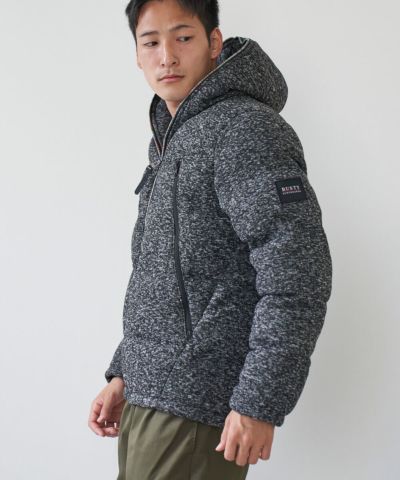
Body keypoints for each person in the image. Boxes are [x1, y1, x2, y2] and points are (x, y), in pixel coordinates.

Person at [88, 0, 333, 478]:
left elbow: (298, 271)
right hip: (150, 397)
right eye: (151, 42)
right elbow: (163, 279)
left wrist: (260, 400)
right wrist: (125, 372)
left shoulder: (246, 130)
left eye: (183, 37)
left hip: (197, 406)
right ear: (137, 55)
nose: (167, 57)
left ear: (214, 42)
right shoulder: (173, 138)